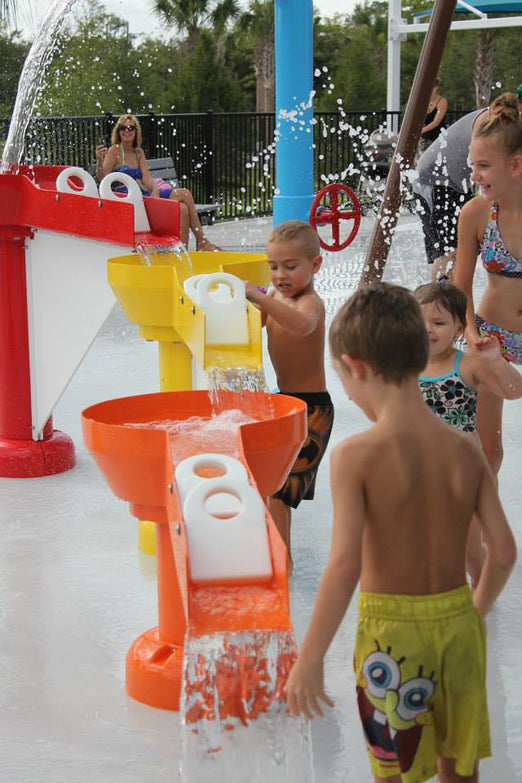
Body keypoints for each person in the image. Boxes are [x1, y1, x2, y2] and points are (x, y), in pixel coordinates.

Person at [285, 282, 516, 783]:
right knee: (460, 769)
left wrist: (310, 659)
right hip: (458, 627)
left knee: (396, 770)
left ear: (356, 367)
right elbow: (502, 553)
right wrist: (472, 614)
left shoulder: (355, 457)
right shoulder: (466, 450)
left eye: (345, 383)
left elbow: (344, 568)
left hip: (391, 639)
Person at [414, 281, 522, 584]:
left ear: (459, 329)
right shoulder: (406, 367)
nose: (428, 330)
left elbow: (514, 391)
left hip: (465, 472)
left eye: (438, 323)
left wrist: (496, 361)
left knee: (469, 549)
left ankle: (481, 591)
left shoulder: (468, 366)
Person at [244, 221, 334, 569]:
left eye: (290, 266)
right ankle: (274, 557)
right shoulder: (276, 297)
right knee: (271, 486)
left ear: (316, 264)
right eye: (274, 266)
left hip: (312, 411)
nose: (280, 275)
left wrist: (260, 297)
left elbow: (301, 326)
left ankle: (283, 565)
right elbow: (253, 326)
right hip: (285, 404)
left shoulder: (310, 303)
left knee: (278, 491)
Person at [453, 92, 522, 476]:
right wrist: (471, 334)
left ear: (516, 164)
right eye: (472, 165)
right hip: (492, 334)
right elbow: (460, 287)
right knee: (486, 451)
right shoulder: (476, 214)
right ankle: (481, 518)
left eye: (483, 166)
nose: (474, 176)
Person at [95, 114, 218, 251]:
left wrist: (155, 190)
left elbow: (147, 179)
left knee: (183, 207)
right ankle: (202, 242)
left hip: (143, 195)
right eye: (123, 128)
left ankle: (183, 250)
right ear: (118, 131)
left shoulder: (138, 153)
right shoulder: (115, 151)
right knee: (184, 195)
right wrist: (99, 161)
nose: (127, 131)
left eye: (130, 128)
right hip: (128, 199)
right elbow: (102, 178)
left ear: (136, 131)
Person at [414, 107, 485, 269]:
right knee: (448, 252)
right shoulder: (492, 122)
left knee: (465, 248)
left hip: (457, 183)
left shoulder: (501, 122)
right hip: (435, 180)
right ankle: (442, 285)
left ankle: (453, 285)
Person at [419, 77, 448, 154]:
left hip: (438, 137)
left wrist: (422, 130)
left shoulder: (442, 101)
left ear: (436, 88)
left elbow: (436, 122)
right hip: (425, 138)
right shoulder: (423, 101)